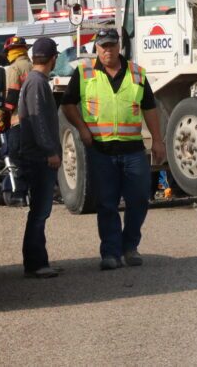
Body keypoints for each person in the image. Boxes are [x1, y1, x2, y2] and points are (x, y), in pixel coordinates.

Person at [61, 28, 165, 271]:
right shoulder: (84, 73)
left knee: (139, 199)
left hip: (133, 151)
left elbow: (149, 108)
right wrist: (82, 130)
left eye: (111, 45)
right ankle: (110, 252)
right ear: (96, 48)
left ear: (119, 46)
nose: (108, 50)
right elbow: (67, 104)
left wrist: (158, 140)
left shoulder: (137, 73)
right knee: (107, 203)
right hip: (101, 151)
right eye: (103, 46)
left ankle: (130, 246)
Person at [16, 36, 63, 279]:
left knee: (40, 211)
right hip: (39, 158)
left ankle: (39, 260)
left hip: (38, 156)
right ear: (53, 58)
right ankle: (35, 263)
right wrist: (50, 151)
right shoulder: (37, 83)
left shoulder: (35, 81)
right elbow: (37, 120)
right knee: (39, 211)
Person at [0, 36, 32, 199]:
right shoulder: (33, 66)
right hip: (37, 121)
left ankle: (18, 193)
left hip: (19, 120)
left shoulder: (14, 69)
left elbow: (12, 95)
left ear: (9, 52)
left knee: (15, 155)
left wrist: (3, 112)